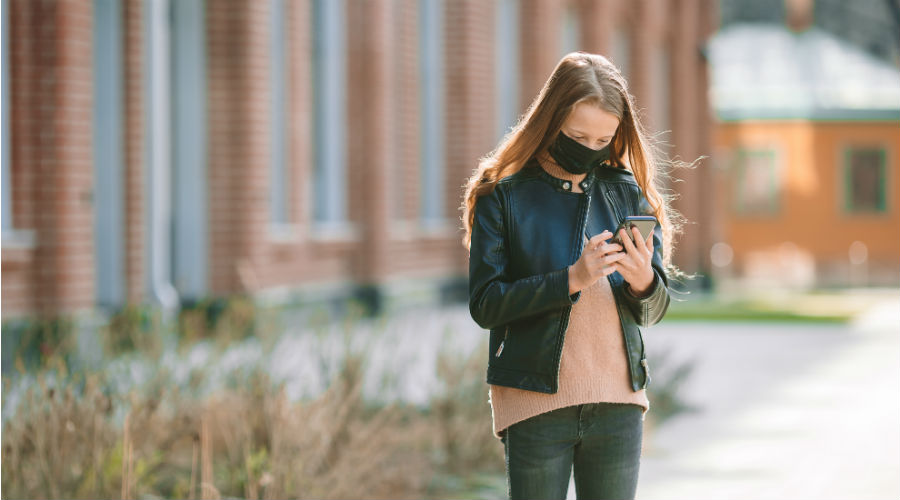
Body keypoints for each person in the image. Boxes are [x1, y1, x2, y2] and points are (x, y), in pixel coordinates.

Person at [461, 51, 688, 500]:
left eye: (603, 138)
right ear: (550, 122)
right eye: (578, 135)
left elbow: (653, 310)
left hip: (618, 404)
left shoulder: (629, 194)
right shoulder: (503, 197)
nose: (590, 147)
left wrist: (644, 280)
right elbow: (486, 304)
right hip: (535, 399)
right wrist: (571, 279)